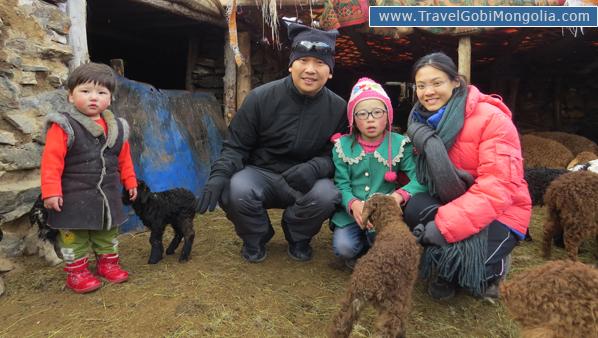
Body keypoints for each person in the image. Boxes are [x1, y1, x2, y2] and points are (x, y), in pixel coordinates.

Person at [195, 23, 349, 263]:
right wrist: (217, 178)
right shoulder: (260, 97)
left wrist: (315, 167)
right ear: (291, 65)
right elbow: (236, 147)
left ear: (330, 71)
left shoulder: (339, 108)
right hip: (259, 173)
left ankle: (298, 237)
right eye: (303, 60)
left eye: (320, 63)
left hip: (303, 178)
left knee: (327, 194)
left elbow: (338, 155)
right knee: (234, 189)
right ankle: (256, 238)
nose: (310, 69)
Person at [403, 53, 531, 299]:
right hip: (454, 202)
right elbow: (424, 177)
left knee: (470, 273)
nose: (428, 91)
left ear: (455, 82)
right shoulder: (421, 124)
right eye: (421, 85)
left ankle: (494, 267)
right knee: (413, 207)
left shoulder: (492, 119)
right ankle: (448, 263)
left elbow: (498, 187)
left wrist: (443, 226)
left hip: (502, 211)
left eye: (437, 82)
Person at [41, 62, 138, 293]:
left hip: (107, 194)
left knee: (107, 230)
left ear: (110, 98)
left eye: (101, 92)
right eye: (85, 91)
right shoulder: (64, 126)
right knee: (75, 235)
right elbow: (51, 161)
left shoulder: (118, 129)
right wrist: (51, 191)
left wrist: (130, 181)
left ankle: (108, 265)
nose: (93, 98)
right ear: (71, 96)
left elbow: (124, 159)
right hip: (73, 196)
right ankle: (77, 273)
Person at [330, 77, 428, 269]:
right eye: (362, 114)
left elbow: (420, 179)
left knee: (390, 248)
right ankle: (361, 246)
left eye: (377, 112)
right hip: (352, 213)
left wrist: (398, 197)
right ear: (353, 118)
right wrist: (353, 204)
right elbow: (341, 184)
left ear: (388, 115)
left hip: (385, 213)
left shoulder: (401, 144)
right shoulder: (341, 146)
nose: (370, 118)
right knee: (345, 248)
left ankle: (375, 246)